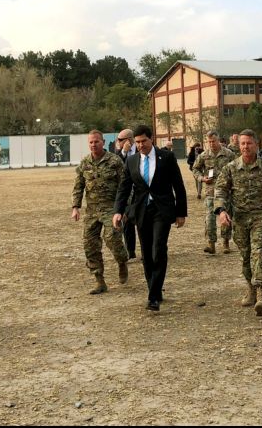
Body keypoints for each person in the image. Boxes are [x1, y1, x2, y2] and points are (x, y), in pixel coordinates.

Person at [113, 125, 187, 312]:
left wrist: (181, 213)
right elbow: (124, 188)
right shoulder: (132, 161)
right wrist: (118, 211)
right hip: (142, 211)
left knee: (158, 249)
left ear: (151, 139)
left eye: (143, 141)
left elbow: (178, 185)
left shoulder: (166, 157)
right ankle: (154, 288)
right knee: (146, 253)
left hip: (162, 210)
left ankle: (153, 297)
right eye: (137, 142)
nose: (140, 145)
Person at [214, 129, 262, 317]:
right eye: (243, 143)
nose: (246, 147)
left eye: (249, 143)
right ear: (239, 146)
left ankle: (261, 292)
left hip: (261, 217)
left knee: (258, 253)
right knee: (246, 257)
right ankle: (251, 288)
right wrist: (222, 211)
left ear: (256, 144)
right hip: (240, 219)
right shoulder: (230, 168)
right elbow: (221, 191)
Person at [72, 130, 130, 294]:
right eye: (91, 142)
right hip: (92, 211)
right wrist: (75, 207)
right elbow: (78, 186)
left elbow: (125, 185)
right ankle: (99, 280)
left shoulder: (114, 161)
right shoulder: (85, 163)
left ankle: (122, 261)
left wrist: (124, 209)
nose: (93, 145)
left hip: (111, 208)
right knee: (90, 245)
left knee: (112, 238)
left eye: (96, 141)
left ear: (103, 142)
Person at [192, 130, 236, 254]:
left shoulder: (229, 154)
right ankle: (211, 243)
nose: (211, 144)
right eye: (209, 142)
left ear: (218, 140)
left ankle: (226, 242)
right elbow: (195, 169)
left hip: (225, 191)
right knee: (210, 218)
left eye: (214, 141)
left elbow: (236, 169)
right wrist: (202, 178)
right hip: (210, 191)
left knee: (225, 217)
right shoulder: (204, 155)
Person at [116, 128, 138, 260]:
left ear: (129, 140)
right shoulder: (119, 153)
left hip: (141, 192)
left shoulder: (141, 149)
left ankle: (148, 250)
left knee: (143, 222)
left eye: (120, 139)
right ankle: (131, 251)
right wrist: (124, 152)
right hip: (127, 193)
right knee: (127, 222)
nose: (118, 142)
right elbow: (117, 166)